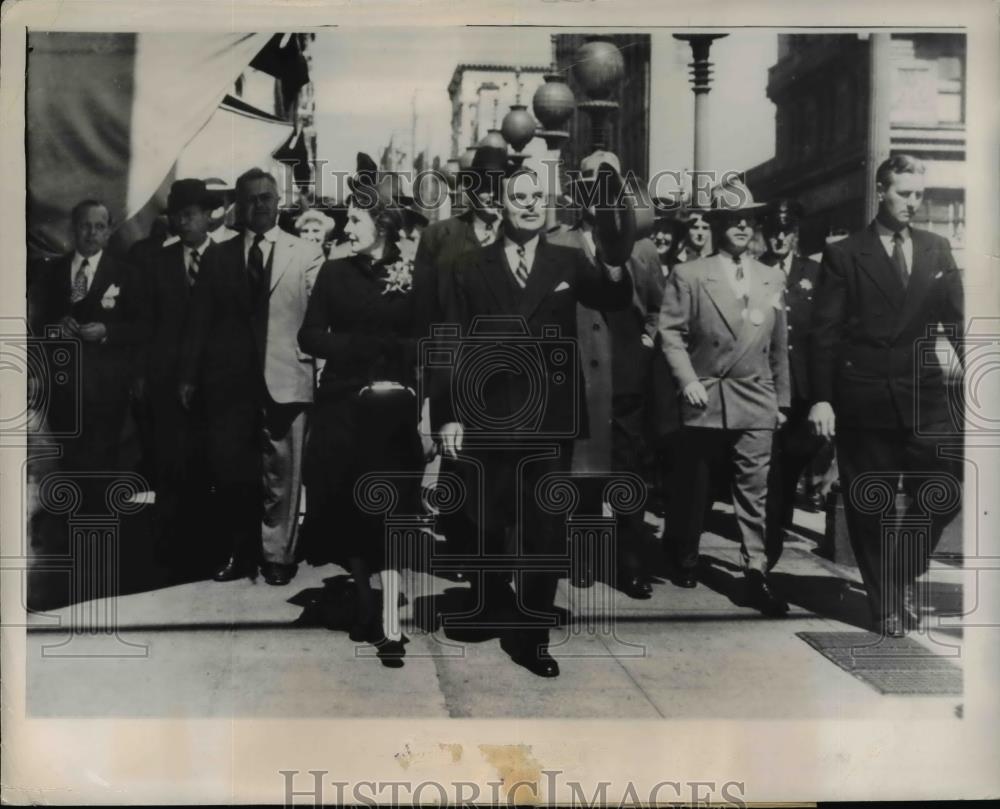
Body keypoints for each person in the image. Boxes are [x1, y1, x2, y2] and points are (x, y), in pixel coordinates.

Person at [433, 167, 634, 678]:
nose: (529, 204)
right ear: (500, 205)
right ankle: (491, 604)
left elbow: (613, 297)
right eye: (518, 197)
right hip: (487, 413)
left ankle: (533, 636)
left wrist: (613, 255)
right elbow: (449, 340)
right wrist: (448, 415)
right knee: (488, 521)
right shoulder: (466, 265)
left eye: (536, 196)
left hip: (550, 418)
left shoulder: (567, 259)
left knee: (546, 529)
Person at [808, 154, 964, 637]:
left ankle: (899, 575)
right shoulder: (845, 254)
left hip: (924, 398)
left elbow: (958, 324)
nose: (913, 203)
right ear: (881, 191)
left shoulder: (937, 249)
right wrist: (822, 398)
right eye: (903, 193)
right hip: (865, 398)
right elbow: (824, 334)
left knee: (945, 490)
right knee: (870, 506)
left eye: (919, 195)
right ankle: (884, 605)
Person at [298, 155, 422, 666]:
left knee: (390, 515)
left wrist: (414, 386)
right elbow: (309, 335)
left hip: (391, 413)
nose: (345, 228)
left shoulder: (412, 274)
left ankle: (390, 622)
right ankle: (366, 599)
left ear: (382, 224)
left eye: (354, 219)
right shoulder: (334, 273)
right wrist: (355, 347)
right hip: (343, 411)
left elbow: (428, 339)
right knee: (351, 512)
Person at [179, 168, 324, 586]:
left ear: (279, 202)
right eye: (250, 199)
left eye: (266, 197)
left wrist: (320, 367)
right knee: (233, 470)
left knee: (284, 471)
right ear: (238, 207)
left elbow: (319, 317)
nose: (259, 205)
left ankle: (278, 554)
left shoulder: (306, 253)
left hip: (288, 375)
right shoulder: (219, 256)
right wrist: (188, 376)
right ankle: (240, 552)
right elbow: (199, 321)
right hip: (230, 383)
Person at [657, 178, 790, 616]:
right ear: (716, 224)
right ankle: (684, 554)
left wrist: (782, 402)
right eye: (733, 219)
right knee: (693, 487)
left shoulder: (772, 276)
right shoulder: (691, 274)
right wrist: (687, 379)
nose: (743, 226)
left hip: (756, 397)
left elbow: (779, 347)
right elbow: (670, 333)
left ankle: (755, 571)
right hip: (706, 396)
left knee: (754, 492)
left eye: (748, 219)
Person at [549, 149, 661, 599]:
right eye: (592, 183)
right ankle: (584, 556)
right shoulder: (560, 243)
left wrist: (646, 344)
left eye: (609, 182)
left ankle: (631, 563)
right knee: (584, 472)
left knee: (628, 470)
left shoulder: (643, 248)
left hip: (626, 377)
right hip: (579, 374)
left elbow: (658, 307)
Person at [411, 146, 509, 579]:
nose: (490, 193)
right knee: (458, 458)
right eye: (482, 184)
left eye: (498, 185)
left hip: (509, 372)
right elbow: (423, 314)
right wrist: (428, 382)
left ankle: (498, 554)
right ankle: (463, 550)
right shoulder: (440, 237)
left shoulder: (523, 236)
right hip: (453, 369)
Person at [132, 179, 220, 577]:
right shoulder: (158, 262)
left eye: (190, 215)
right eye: (177, 216)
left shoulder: (226, 258)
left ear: (208, 216)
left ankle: (209, 547)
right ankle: (170, 551)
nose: (182, 222)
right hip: (166, 381)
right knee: (169, 463)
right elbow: (145, 322)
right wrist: (140, 373)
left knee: (209, 464)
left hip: (214, 382)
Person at [29, 200, 142, 509]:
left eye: (99, 227)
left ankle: (99, 525)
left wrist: (106, 331)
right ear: (73, 230)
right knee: (70, 464)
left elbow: (142, 327)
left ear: (109, 232)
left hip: (107, 389)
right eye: (85, 226)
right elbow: (37, 325)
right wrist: (55, 329)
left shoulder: (126, 275)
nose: (92, 233)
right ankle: (73, 525)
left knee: (102, 465)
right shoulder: (50, 272)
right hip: (63, 388)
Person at [759, 199, 826, 565]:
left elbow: (824, 329)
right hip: (766, 385)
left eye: (785, 231)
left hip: (804, 387)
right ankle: (768, 545)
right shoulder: (753, 271)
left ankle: (778, 520)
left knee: (795, 461)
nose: (779, 238)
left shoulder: (814, 272)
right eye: (773, 231)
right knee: (771, 470)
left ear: (795, 234)